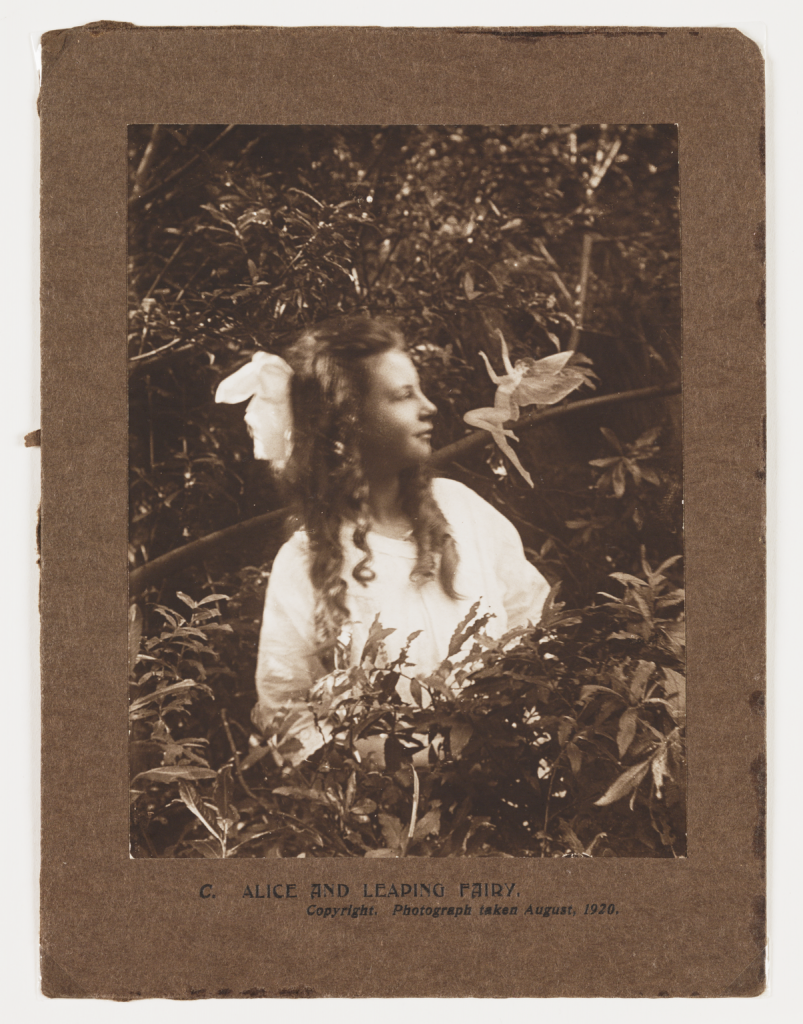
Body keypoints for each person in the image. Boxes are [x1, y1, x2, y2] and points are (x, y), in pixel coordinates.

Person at [216, 315, 551, 764]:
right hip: (389, 799)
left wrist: (521, 743)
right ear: (348, 419)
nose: (429, 407)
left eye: (420, 390)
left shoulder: (463, 511)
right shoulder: (303, 562)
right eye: (403, 395)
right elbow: (288, 714)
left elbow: (533, 627)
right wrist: (395, 770)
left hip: (512, 777)